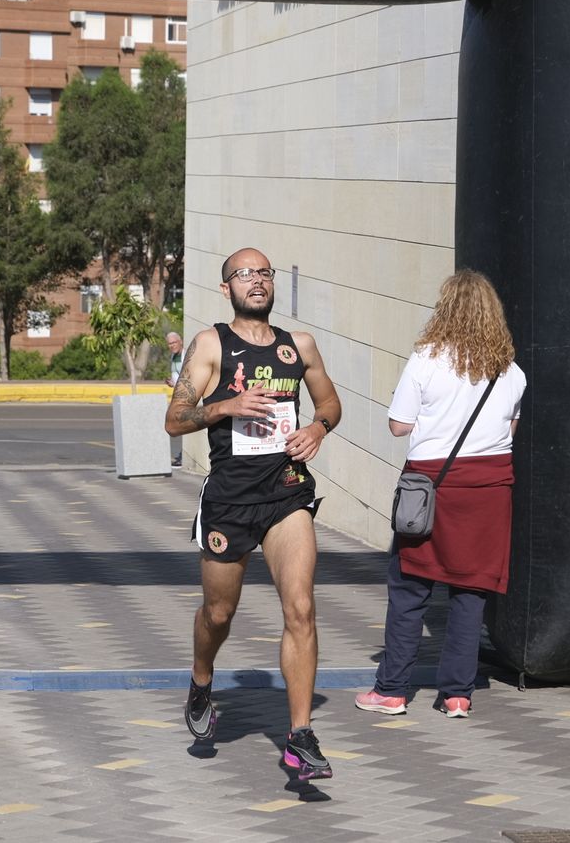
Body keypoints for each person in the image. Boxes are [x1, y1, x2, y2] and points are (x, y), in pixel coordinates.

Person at [165, 247, 343, 782]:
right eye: (244, 275)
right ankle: (201, 679)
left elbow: (330, 403)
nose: (256, 281)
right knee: (219, 614)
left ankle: (300, 737)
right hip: (230, 501)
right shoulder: (211, 344)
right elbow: (174, 419)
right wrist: (226, 406)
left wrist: (318, 429)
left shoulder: (300, 346)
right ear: (227, 289)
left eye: (263, 272)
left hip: (288, 494)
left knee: (302, 608)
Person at [354, 270, 526, 720]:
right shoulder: (510, 371)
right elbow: (509, 431)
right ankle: (457, 695)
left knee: (409, 589)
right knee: (471, 593)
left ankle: (391, 690)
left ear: (444, 310)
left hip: (432, 488)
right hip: (489, 493)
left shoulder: (426, 359)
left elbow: (398, 425)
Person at [165, 331, 185, 466]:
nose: (172, 345)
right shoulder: (173, 356)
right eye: (169, 344)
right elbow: (176, 376)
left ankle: (183, 456)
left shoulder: (186, 355)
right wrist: (172, 383)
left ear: (180, 341)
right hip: (179, 396)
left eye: (174, 342)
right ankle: (182, 455)